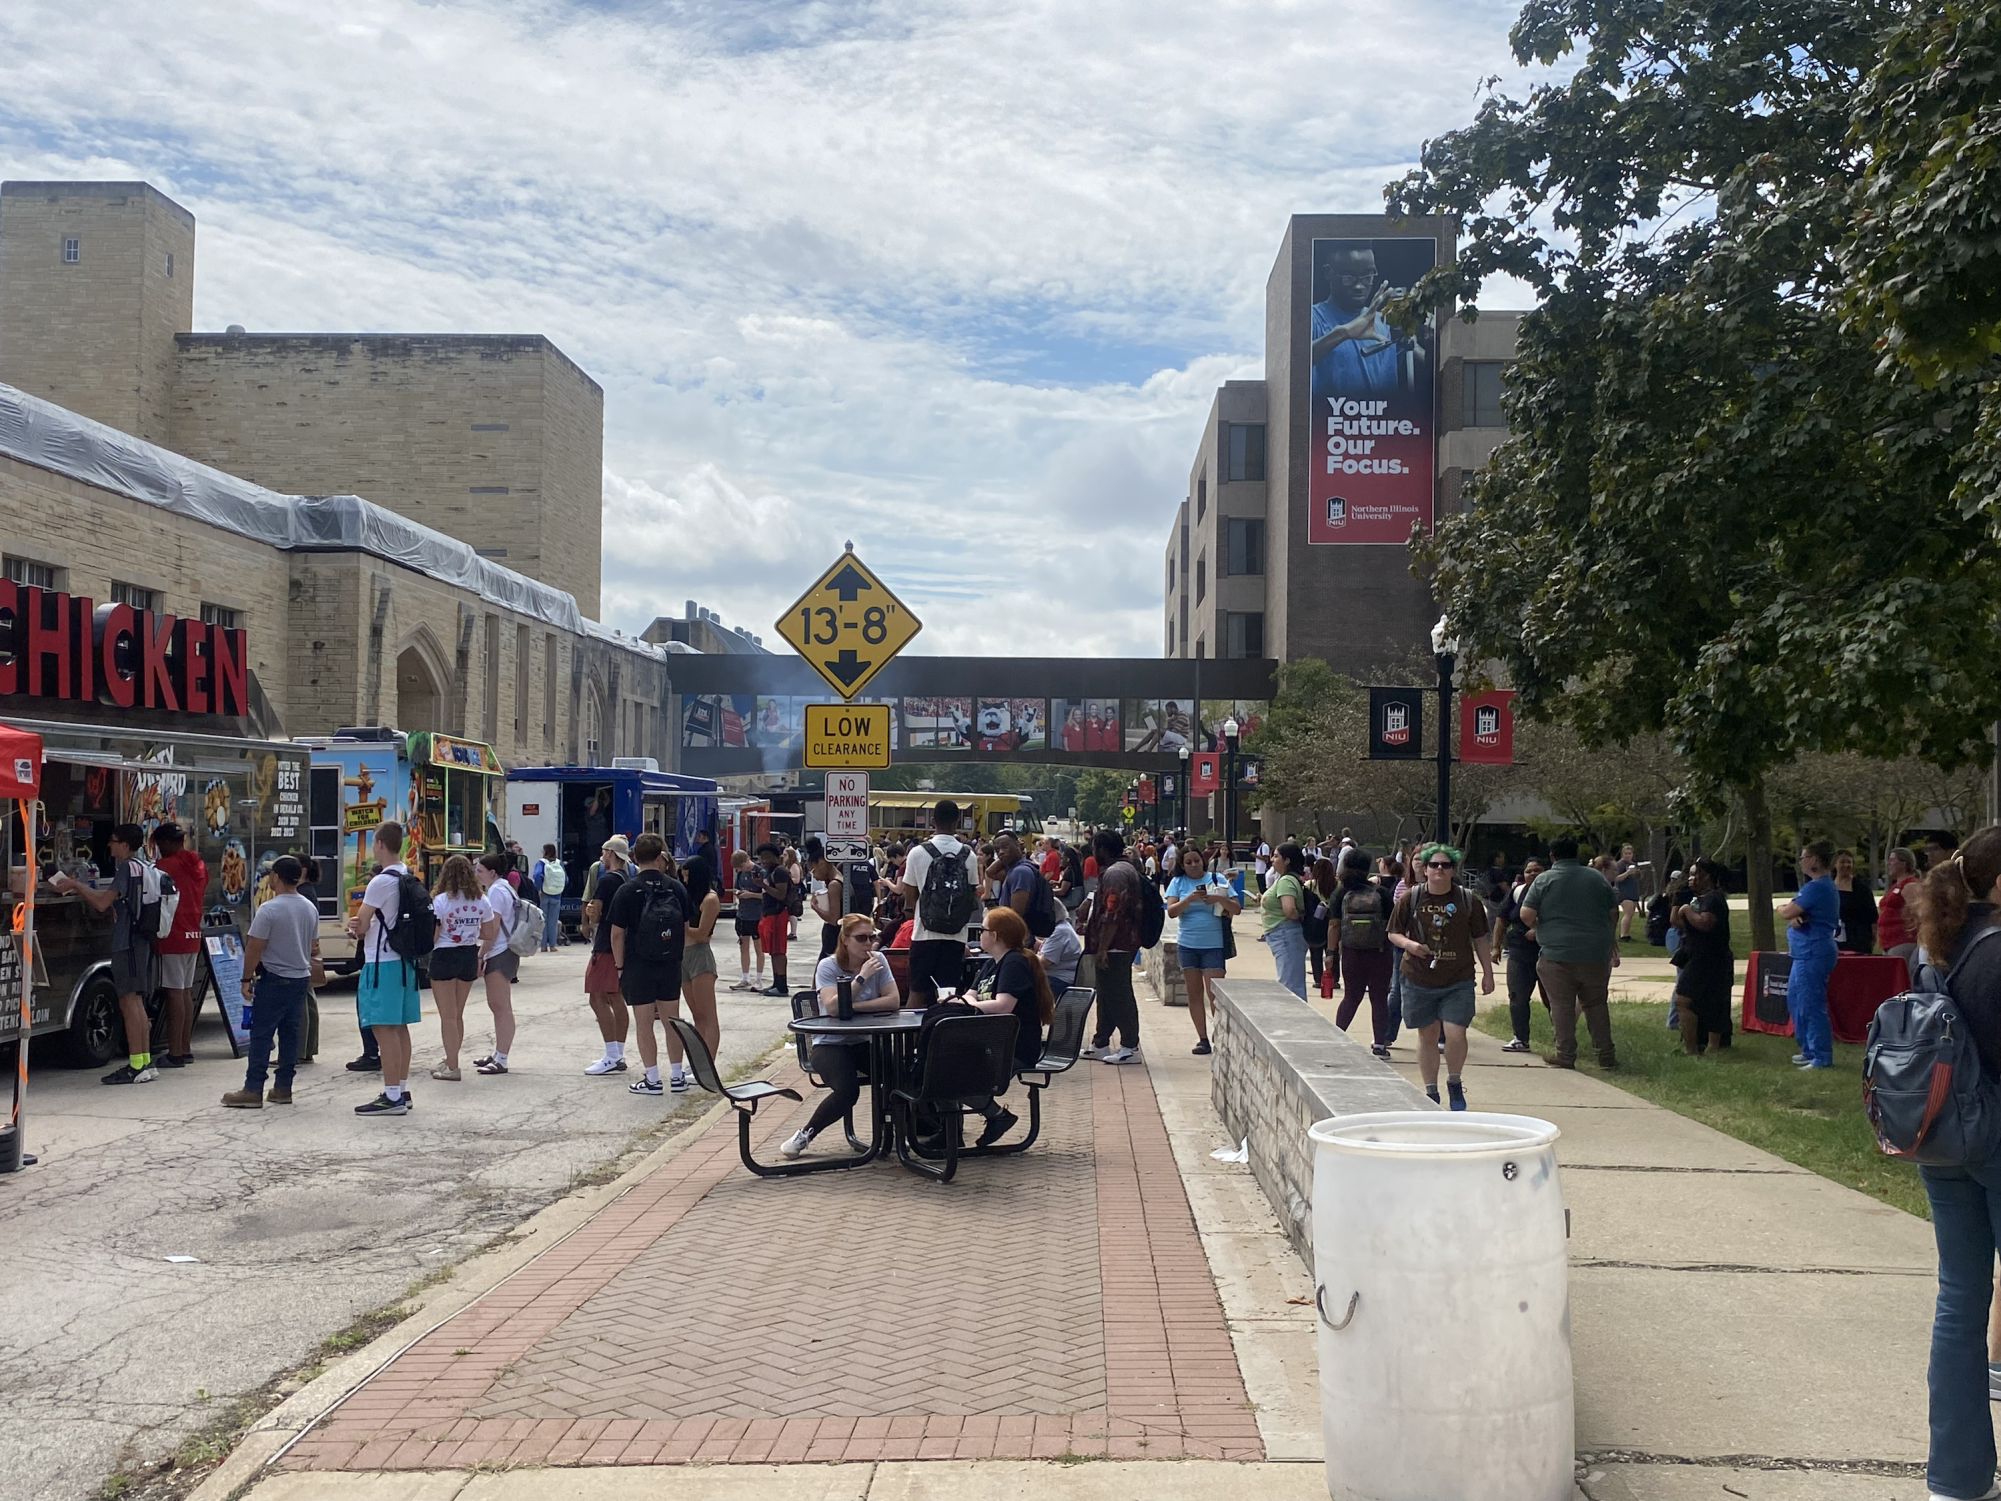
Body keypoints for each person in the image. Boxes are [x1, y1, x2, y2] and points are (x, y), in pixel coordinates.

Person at [1906, 825, 2001, 1501]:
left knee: (1960, 1301)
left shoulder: (1934, 945)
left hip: (1942, 1140)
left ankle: (1956, 1479)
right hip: (1995, 1137)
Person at [780, 913, 901, 1159]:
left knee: (901, 1073)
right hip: (830, 1044)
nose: (869, 943)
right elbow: (833, 1007)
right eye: (861, 938)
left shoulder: (878, 960)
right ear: (845, 940)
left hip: (865, 1041)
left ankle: (909, 1130)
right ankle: (805, 1134)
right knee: (848, 1090)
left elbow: (893, 1001)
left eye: (872, 937)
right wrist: (861, 979)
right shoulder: (829, 966)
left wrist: (852, 1006)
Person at [1388, 843, 1495, 1110]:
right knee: (1428, 1035)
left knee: (1455, 1032)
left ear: (1453, 870)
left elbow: (1480, 938)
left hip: (1457, 978)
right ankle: (1431, 1091)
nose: (1439, 869)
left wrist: (1488, 973)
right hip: (1418, 977)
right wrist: (1410, 945)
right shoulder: (1411, 898)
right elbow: (1393, 932)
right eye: (1433, 865)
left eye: (1445, 865)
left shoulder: (1468, 900)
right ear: (1424, 869)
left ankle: (1455, 1081)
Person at [54, 824, 160, 1086]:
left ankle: (136, 1065)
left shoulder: (126, 868)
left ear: (125, 845)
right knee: (135, 1001)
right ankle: (144, 1061)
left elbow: (102, 903)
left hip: (129, 942)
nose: (109, 846)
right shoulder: (144, 866)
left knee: (129, 1001)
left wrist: (75, 885)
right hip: (140, 941)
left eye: (113, 841)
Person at [221, 856, 323, 1108]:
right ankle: (283, 1088)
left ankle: (253, 1088)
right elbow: (313, 946)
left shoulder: (269, 909)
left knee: (262, 1034)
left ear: (276, 877)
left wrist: (245, 978)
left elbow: (254, 947)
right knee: (290, 1034)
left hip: (274, 978)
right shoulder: (309, 907)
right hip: (300, 978)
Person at [1520, 834, 1621, 1070]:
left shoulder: (1545, 879)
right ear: (1577, 853)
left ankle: (1565, 1055)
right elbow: (1613, 911)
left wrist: (1540, 928)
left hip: (1556, 953)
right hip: (1595, 952)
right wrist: (1608, 937)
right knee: (1596, 1004)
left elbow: (1526, 914)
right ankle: (1606, 1054)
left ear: (1552, 856)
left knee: (1562, 1006)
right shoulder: (1596, 878)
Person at [958, 906, 1054, 1142]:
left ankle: (996, 1115)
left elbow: (1003, 1005)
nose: (980, 934)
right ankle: (950, 1131)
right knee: (940, 1063)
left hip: (1014, 1047)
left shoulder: (1014, 963)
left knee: (949, 1071)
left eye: (983, 929)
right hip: (991, 1042)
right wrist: (969, 1001)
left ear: (995, 935)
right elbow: (969, 993)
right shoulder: (992, 963)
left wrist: (969, 1004)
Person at [610, 833, 696, 1096]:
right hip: (669, 963)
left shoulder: (627, 890)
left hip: (639, 965)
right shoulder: (676, 887)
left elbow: (616, 933)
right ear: (661, 857)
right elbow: (685, 927)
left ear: (634, 857)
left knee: (644, 1023)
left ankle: (652, 1079)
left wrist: (620, 966)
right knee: (672, 1020)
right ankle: (678, 1075)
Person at [345, 822, 420, 1116]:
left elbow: (361, 925)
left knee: (382, 1028)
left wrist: (355, 928)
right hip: (404, 960)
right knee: (399, 1026)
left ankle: (391, 1097)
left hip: (382, 962)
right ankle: (400, 1088)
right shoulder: (407, 874)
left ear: (378, 844)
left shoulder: (379, 882)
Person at [900, 801, 980, 1005]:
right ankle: (943, 1034)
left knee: (917, 992)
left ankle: (914, 1036)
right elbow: (971, 895)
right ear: (958, 821)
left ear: (933, 821)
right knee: (947, 994)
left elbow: (909, 899)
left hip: (924, 934)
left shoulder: (918, 852)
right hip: (956, 937)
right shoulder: (968, 855)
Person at [425, 854, 496, 1081]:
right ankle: (450, 1058)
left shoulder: (441, 901)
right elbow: (488, 933)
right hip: (468, 954)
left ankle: (453, 1066)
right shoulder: (481, 900)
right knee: (458, 1015)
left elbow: (434, 936)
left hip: (444, 955)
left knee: (446, 1017)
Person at [1166, 844, 1238, 1056]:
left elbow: (1236, 908)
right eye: (1188, 862)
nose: (1193, 865)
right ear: (1182, 864)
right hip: (1188, 943)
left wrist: (1218, 899)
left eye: (1196, 860)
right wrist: (1189, 899)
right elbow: (1171, 912)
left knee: (1214, 993)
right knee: (1194, 993)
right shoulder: (1178, 882)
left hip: (1213, 943)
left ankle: (1220, 1035)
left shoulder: (1217, 880)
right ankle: (1203, 1038)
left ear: (1203, 860)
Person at [1082, 830, 1145, 1063]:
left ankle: (1130, 1046)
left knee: (1119, 995)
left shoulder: (1115, 873)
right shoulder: (1123, 869)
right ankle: (1100, 1042)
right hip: (1119, 943)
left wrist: (1103, 948)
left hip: (1116, 945)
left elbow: (1112, 913)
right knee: (1107, 994)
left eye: (1095, 847)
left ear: (1102, 849)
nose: (1093, 852)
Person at [1778, 839, 1840, 1070]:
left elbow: (1788, 911)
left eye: (1804, 857)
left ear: (1814, 859)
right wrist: (1792, 913)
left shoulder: (1818, 886)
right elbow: (1796, 912)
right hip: (1803, 952)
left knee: (1811, 1003)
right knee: (1796, 1000)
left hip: (1813, 951)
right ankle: (1807, 1048)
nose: (1801, 861)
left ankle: (1821, 1055)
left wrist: (1784, 910)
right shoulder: (1814, 886)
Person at [1328, 848, 1396, 1058]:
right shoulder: (1382, 893)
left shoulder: (1340, 893)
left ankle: (1338, 1037)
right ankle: (1379, 1045)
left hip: (1351, 952)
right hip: (1380, 952)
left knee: (1351, 997)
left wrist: (1330, 953)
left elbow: (1334, 925)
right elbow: (1392, 924)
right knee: (1379, 998)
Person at [150, 822, 206, 1068]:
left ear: (164, 843)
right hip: (193, 932)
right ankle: (185, 1048)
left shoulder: (164, 867)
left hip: (171, 934)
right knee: (184, 992)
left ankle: (175, 1053)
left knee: (174, 994)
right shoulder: (198, 865)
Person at [1669, 859, 1734, 1055]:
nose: (1690, 878)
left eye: (1694, 874)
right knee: (1710, 1002)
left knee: (1683, 1000)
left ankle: (1693, 1049)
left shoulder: (1713, 898)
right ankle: (1705, 1046)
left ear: (1705, 876)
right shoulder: (1701, 897)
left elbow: (1705, 923)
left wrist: (1687, 910)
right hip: (1698, 954)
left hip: (1707, 958)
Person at [582, 838, 631, 1074]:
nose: (601, 856)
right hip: (622, 944)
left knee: (597, 996)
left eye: (603, 852)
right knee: (616, 997)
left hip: (604, 945)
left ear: (610, 853)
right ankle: (617, 1052)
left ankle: (611, 1055)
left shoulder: (606, 880)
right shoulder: (626, 878)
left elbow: (595, 914)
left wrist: (590, 912)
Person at [470, 853, 521, 1074]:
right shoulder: (505, 887)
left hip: (499, 951)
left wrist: (481, 954)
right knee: (499, 1006)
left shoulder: (497, 891)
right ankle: (498, 1053)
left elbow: (492, 928)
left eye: (479, 871)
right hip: (505, 949)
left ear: (492, 872)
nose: (476, 875)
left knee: (501, 1007)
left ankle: (501, 1058)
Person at [1492, 856, 1545, 1054]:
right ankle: (1520, 1038)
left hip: (1546, 952)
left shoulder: (1552, 892)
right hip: (1518, 952)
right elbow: (1501, 919)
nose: (1532, 873)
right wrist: (1495, 946)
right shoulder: (1517, 892)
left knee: (1552, 999)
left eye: (1537, 870)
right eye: (1529, 870)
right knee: (1517, 996)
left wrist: (1540, 931)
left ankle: (1562, 1040)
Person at [678, 855, 723, 1063]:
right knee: (696, 1015)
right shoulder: (691, 897)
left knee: (708, 1015)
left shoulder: (710, 899)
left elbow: (703, 933)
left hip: (700, 955)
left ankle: (709, 1063)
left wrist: (683, 926)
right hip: (683, 956)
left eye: (688, 877)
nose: (685, 882)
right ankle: (698, 1062)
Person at [1258, 842, 1309, 1001]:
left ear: (1287, 860)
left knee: (1289, 985)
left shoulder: (1286, 880)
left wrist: (1297, 916)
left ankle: (1295, 1021)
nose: (1272, 859)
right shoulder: (1285, 879)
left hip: (1286, 935)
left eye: (1276, 856)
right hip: (1283, 935)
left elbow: (1289, 910)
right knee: (1290, 981)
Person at [756, 842, 795, 997]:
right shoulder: (768, 871)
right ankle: (776, 982)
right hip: (769, 913)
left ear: (776, 857)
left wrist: (763, 886)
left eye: (767, 856)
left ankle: (781, 984)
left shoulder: (779, 872)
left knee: (778, 951)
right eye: (762, 857)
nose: (764, 860)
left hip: (778, 913)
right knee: (772, 951)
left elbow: (781, 894)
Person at [730, 848, 766, 990]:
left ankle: (758, 978)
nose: (740, 869)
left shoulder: (759, 872)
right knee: (743, 947)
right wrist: (739, 893)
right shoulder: (740, 874)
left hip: (757, 914)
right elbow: (736, 888)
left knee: (759, 948)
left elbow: (765, 894)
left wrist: (750, 895)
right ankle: (745, 977)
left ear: (747, 860)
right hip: (742, 914)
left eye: (741, 866)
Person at [805, 836, 844, 960]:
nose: (815, 876)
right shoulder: (838, 879)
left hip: (834, 937)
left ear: (821, 862)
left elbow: (834, 919)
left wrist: (816, 907)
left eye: (814, 871)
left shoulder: (834, 885)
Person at [1834, 849, 1879, 955]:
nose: (1846, 865)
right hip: (1836, 938)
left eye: (1849, 862)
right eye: (1842, 862)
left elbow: (1872, 916)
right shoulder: (1829, 887)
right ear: (1834, 864)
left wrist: (1873, 937)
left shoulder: (1862, 888)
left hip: (1859, 938)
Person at [1304, 857, 1338, 994]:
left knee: (1315, 950)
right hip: (1332, 920)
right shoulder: (1337, 884)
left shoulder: (1310, 885)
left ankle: (1318, 979)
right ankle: (1334, 978)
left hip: (1316, 921)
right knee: (1333, 950)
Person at [1880, 846, 1921, 956]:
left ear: (1903, 864)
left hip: (1903, 942)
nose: (1888, 863)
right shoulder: (1895, 886)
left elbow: (1919, 913)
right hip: (1889, 942)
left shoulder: (1910, 885)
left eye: (1892, 860)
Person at [1040, 909, 1083, 1000]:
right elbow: (1050, 948)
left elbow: (1044, 962)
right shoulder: (1063, 926)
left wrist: (1023, 957)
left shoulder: (1059, 931)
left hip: (1059, 979)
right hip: (1060, 976)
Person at [531, 842, 568, 949]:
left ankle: (543, 946)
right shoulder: (559, 862)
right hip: (557, 895)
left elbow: (537, 875)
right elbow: (565, 879)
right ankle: (552, 945)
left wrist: (539, 888)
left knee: (543, 920)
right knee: (553, 920)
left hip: (544, 894)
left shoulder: (541, 862)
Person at [1613, 843, 1641, 940]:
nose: (1628, 855)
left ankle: (1627, 934)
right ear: (1622, 854)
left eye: (1630, 854)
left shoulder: (1632, 864)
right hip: (1623, 893)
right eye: (1626, 853)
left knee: (1630, 914)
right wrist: (1627, 873)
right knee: (1627, 914)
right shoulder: (1620, 864)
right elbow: (1616, 878)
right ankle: (1623, 935)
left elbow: (1637, 878)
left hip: (1632, 892)